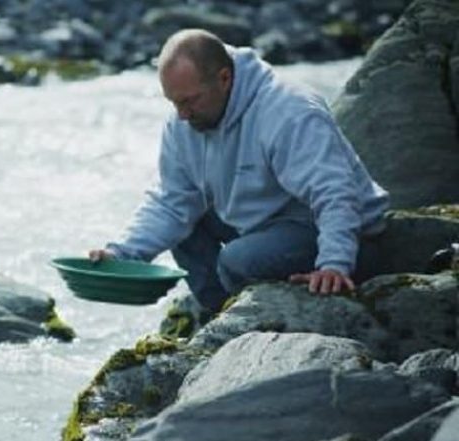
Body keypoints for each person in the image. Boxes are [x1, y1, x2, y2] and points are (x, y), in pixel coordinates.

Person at [89, 29, 389, 315]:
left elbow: (335, 192)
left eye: (190, 101)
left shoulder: (289, 110)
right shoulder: (185, 121)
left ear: (224, 78)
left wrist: (334, 264)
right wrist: (121, 255)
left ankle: (256, 316)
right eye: (174, 102)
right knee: (186, 227)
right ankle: (221, 315)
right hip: (264, 224)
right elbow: (171, 202)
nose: (181, 114)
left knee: (237, 260)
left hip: (339, 233)